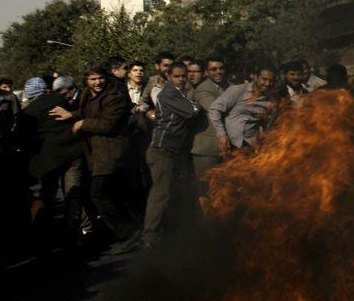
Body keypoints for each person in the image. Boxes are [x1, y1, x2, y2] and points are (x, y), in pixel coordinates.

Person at [50, 65, 140, 252]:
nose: (97, 82)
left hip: (112, 152)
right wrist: (71, 115)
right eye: (92, 79)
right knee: (116, 193)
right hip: (97, 153)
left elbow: (108, 124)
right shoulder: (87, 94)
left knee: (98, 192)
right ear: (86, 81)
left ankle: (129, 232)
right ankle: (133, 229)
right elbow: (86, 112)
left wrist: (82, 124)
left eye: (100, 78)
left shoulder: (114, 96)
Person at [141, 61, 201, 249]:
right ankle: (149, 235)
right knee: (160, 193)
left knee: (172, 191)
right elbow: (192, 112)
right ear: (168, 76)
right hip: (162, 150)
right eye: (177, 76)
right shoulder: (169, 93)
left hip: (172, 151)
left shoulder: (178, 93)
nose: (182, 79)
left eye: (184, 76)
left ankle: (167, 230)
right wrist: (195, 105)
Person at [23, 76, 86, 250]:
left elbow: (25, 138)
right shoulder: (61, 100)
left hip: (48, 162)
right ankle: (74, 234)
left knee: (48, 198)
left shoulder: (28, 112)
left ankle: (47, 238)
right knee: (73, 195)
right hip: (73, 154)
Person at [208, 65, 278, 151]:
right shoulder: (238, 90)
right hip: (229, 144)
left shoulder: (271, 100)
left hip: (250, 146)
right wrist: (221, 134)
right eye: (264, 79)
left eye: (271, 81)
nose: (267, 84)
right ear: (255, 77)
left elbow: (268, 126)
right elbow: (214, 110)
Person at [188, 57, 228, 183]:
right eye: (213, 69)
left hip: (225, 148)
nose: (218, 72)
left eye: (221, 68)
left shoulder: (229, 87)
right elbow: (215, 109)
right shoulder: (203, 89)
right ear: (207, 72)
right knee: (205, 190)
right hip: (206, 150)